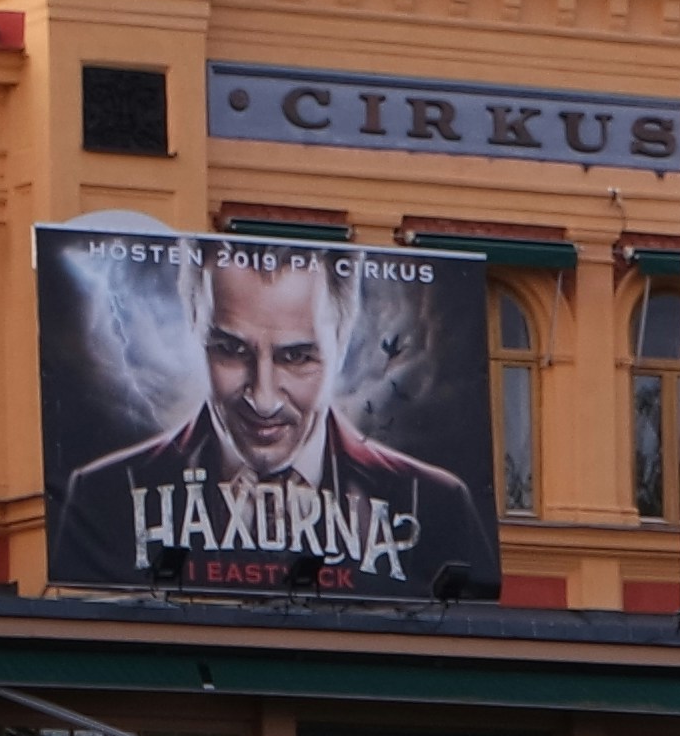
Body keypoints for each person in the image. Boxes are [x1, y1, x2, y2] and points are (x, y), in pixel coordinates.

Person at [54, 247, 495, 590]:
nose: (262, 398)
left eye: (297, 357)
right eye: (230, 350)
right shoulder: (104, 494)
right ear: (194, 325)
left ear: (341, 341)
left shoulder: (435, 502)